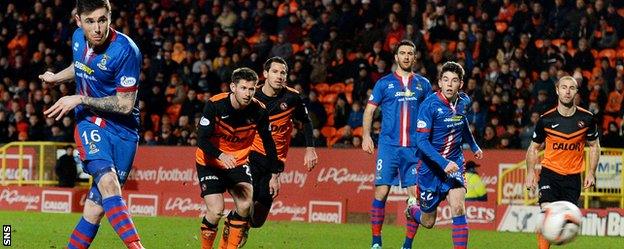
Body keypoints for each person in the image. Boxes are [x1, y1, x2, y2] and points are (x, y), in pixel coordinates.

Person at [39, 1, 144, 248]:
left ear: (110, 17)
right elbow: (81, 67)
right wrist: (57, 78)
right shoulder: (77, 38)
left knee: (95, 210)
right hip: (90, 122)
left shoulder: (125, 50)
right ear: (78, 21)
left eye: (102, 20)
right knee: (108, 183)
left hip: (125, 131)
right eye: (90, 21)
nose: (97, 28)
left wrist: (80, 97)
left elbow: (126, 104)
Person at [195, 67, 280, 249]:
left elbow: (269, 143)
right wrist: (221, 155)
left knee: (245, 205)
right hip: (210, 161)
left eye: (252, 89)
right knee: (216, 211)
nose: (248, 93)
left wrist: (275, 174)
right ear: (233, 87)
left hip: (238, 162)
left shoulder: (259, 110)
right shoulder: (215, 104)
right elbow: (201, 139)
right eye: (244, 88)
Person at [361, 40, 432, 249]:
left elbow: (431, 114)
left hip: (415, 149)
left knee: (414, 199)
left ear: (414, 57)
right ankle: (376, 243)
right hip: (389, 147)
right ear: (396, 57)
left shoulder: (423, 84)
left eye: (410, 53)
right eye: (403, 53)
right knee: (380, 193)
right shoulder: (384, 83)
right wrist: (366, 136)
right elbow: (369, 111)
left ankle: (407, 245)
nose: (407, 56)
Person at [406, 61, 483, 249]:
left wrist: (473, 145)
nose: (449, 84)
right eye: (446, 80)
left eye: (454, 80)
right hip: (430, 169)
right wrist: (443, 162)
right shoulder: (429, 106)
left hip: (454, 164)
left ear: (460, 84)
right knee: (428, 221)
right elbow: (421, 142)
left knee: (458, 206)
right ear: (440, 83)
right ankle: (412, 210)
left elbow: (462, 123)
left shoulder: (464, 101)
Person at [525, 75, 600, 249]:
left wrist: (591, 172)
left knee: (566, 222)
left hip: (573, 178)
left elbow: (595, 146)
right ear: (557, 90)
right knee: (547, 214)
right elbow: (533, 148)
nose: (567, 91)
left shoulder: (587, 119)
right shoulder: (546, 119)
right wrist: (530, 172)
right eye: (564, 87)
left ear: (576, 92)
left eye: (571, 88)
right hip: (550, 174)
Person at [247, 57, 318, 230]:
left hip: (275, 161)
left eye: (283, 72)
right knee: (245, 199)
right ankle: (236, 225)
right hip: (251, 155)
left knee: (258, 219)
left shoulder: (292, 98)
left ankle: (245, 225)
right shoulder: (252, 96)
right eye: (275, 71)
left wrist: (310, 149)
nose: (279, 76)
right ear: (265, 74)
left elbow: (306, 121)